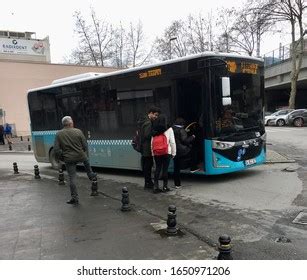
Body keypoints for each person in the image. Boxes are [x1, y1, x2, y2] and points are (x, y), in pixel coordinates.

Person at [54, 116, 97, 205]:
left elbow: (56, 150)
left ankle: (75, 198)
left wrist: (63, 157)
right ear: (71, 123)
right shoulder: (78, 131)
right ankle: (90, 174)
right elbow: (85, 146)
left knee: (72, 178)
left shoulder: (59, 134)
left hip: (69, 159)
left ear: (64, 124)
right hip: (80, 155)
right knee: (86, 160)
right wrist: (82, 152)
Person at [151, 115, 176, 193]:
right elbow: (172, 142)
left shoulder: (154, 129)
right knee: (165, 170)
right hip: (166, 152)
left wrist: (152, 152)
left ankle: (155, 187)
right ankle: (165, 187)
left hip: (156, 153)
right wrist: (173, 153)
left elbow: (152, 142)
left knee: (157, 169)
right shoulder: (169, 129)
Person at [140, 106, 161, 190]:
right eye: (155, 115)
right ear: (151, 113)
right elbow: (147, 135)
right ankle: (148, 183)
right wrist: (155, 133)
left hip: (144, 148)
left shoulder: (144, 121)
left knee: (146, 166)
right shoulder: (148, 123)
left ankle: (147, 183)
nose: (156, 117)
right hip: (147, 148)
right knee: (148, 167)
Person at [172, 118, 195, 188]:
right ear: (182, 124)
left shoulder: (171, 129)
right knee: (193, 152)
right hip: (182, 151)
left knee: (176, 168)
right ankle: (193, 168)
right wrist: (192, 137)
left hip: (174, 150)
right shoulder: (181, 130)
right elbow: (185, 141)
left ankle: (177, 184)